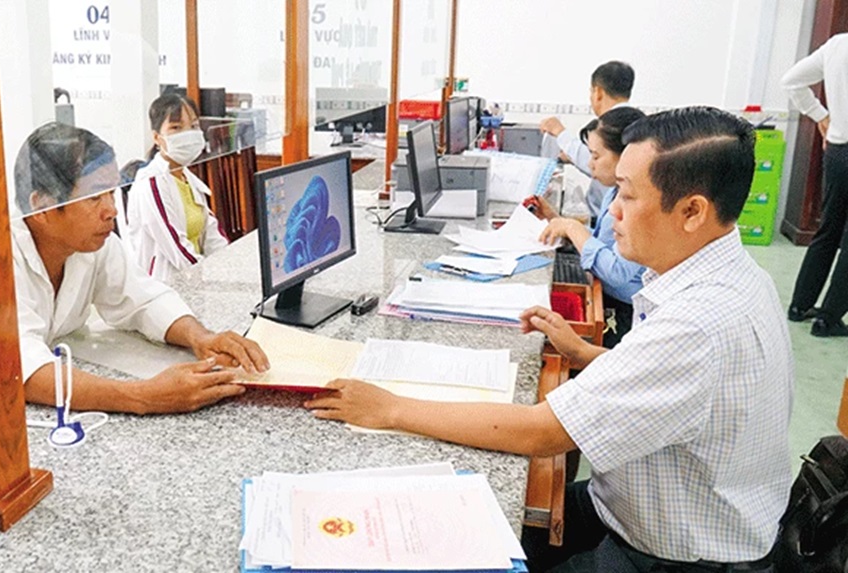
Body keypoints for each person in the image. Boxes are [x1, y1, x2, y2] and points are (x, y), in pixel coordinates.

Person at [306, 107, 793, 572]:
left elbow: (541, 432)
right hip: (634, 509)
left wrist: (390, 408)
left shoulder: (696, 324)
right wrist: (585, 353)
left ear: (691, 211)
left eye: (627, 195)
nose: (614, 211)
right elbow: (680, 385)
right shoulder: (732, 277)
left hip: (674, 559)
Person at [0, 123, 269, 429]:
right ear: (43, 207)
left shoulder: (89, 241)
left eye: (111, 192)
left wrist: (201, 338)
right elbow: (21, 370)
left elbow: (141, 297)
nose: (111, 210)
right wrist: (144, 396)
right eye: (94, 197)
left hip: (24, 415)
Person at [533, 107, 647, 347]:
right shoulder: (614, 192)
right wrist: (555, 219)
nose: (590, 164)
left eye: (596, 156)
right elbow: (601, 242)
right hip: (604, 295)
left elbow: (617, 273)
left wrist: (572, 229)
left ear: (625, 157)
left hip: (624, 313)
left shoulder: (639, 204)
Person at [120, 94, 229, 282]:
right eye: (176, 127)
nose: (188, 133)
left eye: (193, 126)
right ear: (157, 137)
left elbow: (211, 232)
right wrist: (209, 277)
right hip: (165, 286)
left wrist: (227, 264)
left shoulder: (187, 177)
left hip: (195, 278)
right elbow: (176, 248)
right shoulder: (152, 182)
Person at [782, 33, 848, 337]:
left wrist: (821, 116)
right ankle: (828, 319)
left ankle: (800, 305)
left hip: (836, 151)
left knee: (827, 230)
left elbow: (791, 81)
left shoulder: (838, 44)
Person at [540, 61, 635, 219]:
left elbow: (600, 162)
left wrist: (560, 132)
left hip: (608, 218)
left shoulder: (615, 126)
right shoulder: (632, 121)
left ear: (598, 92)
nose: (591, 163)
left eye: (595, 156)